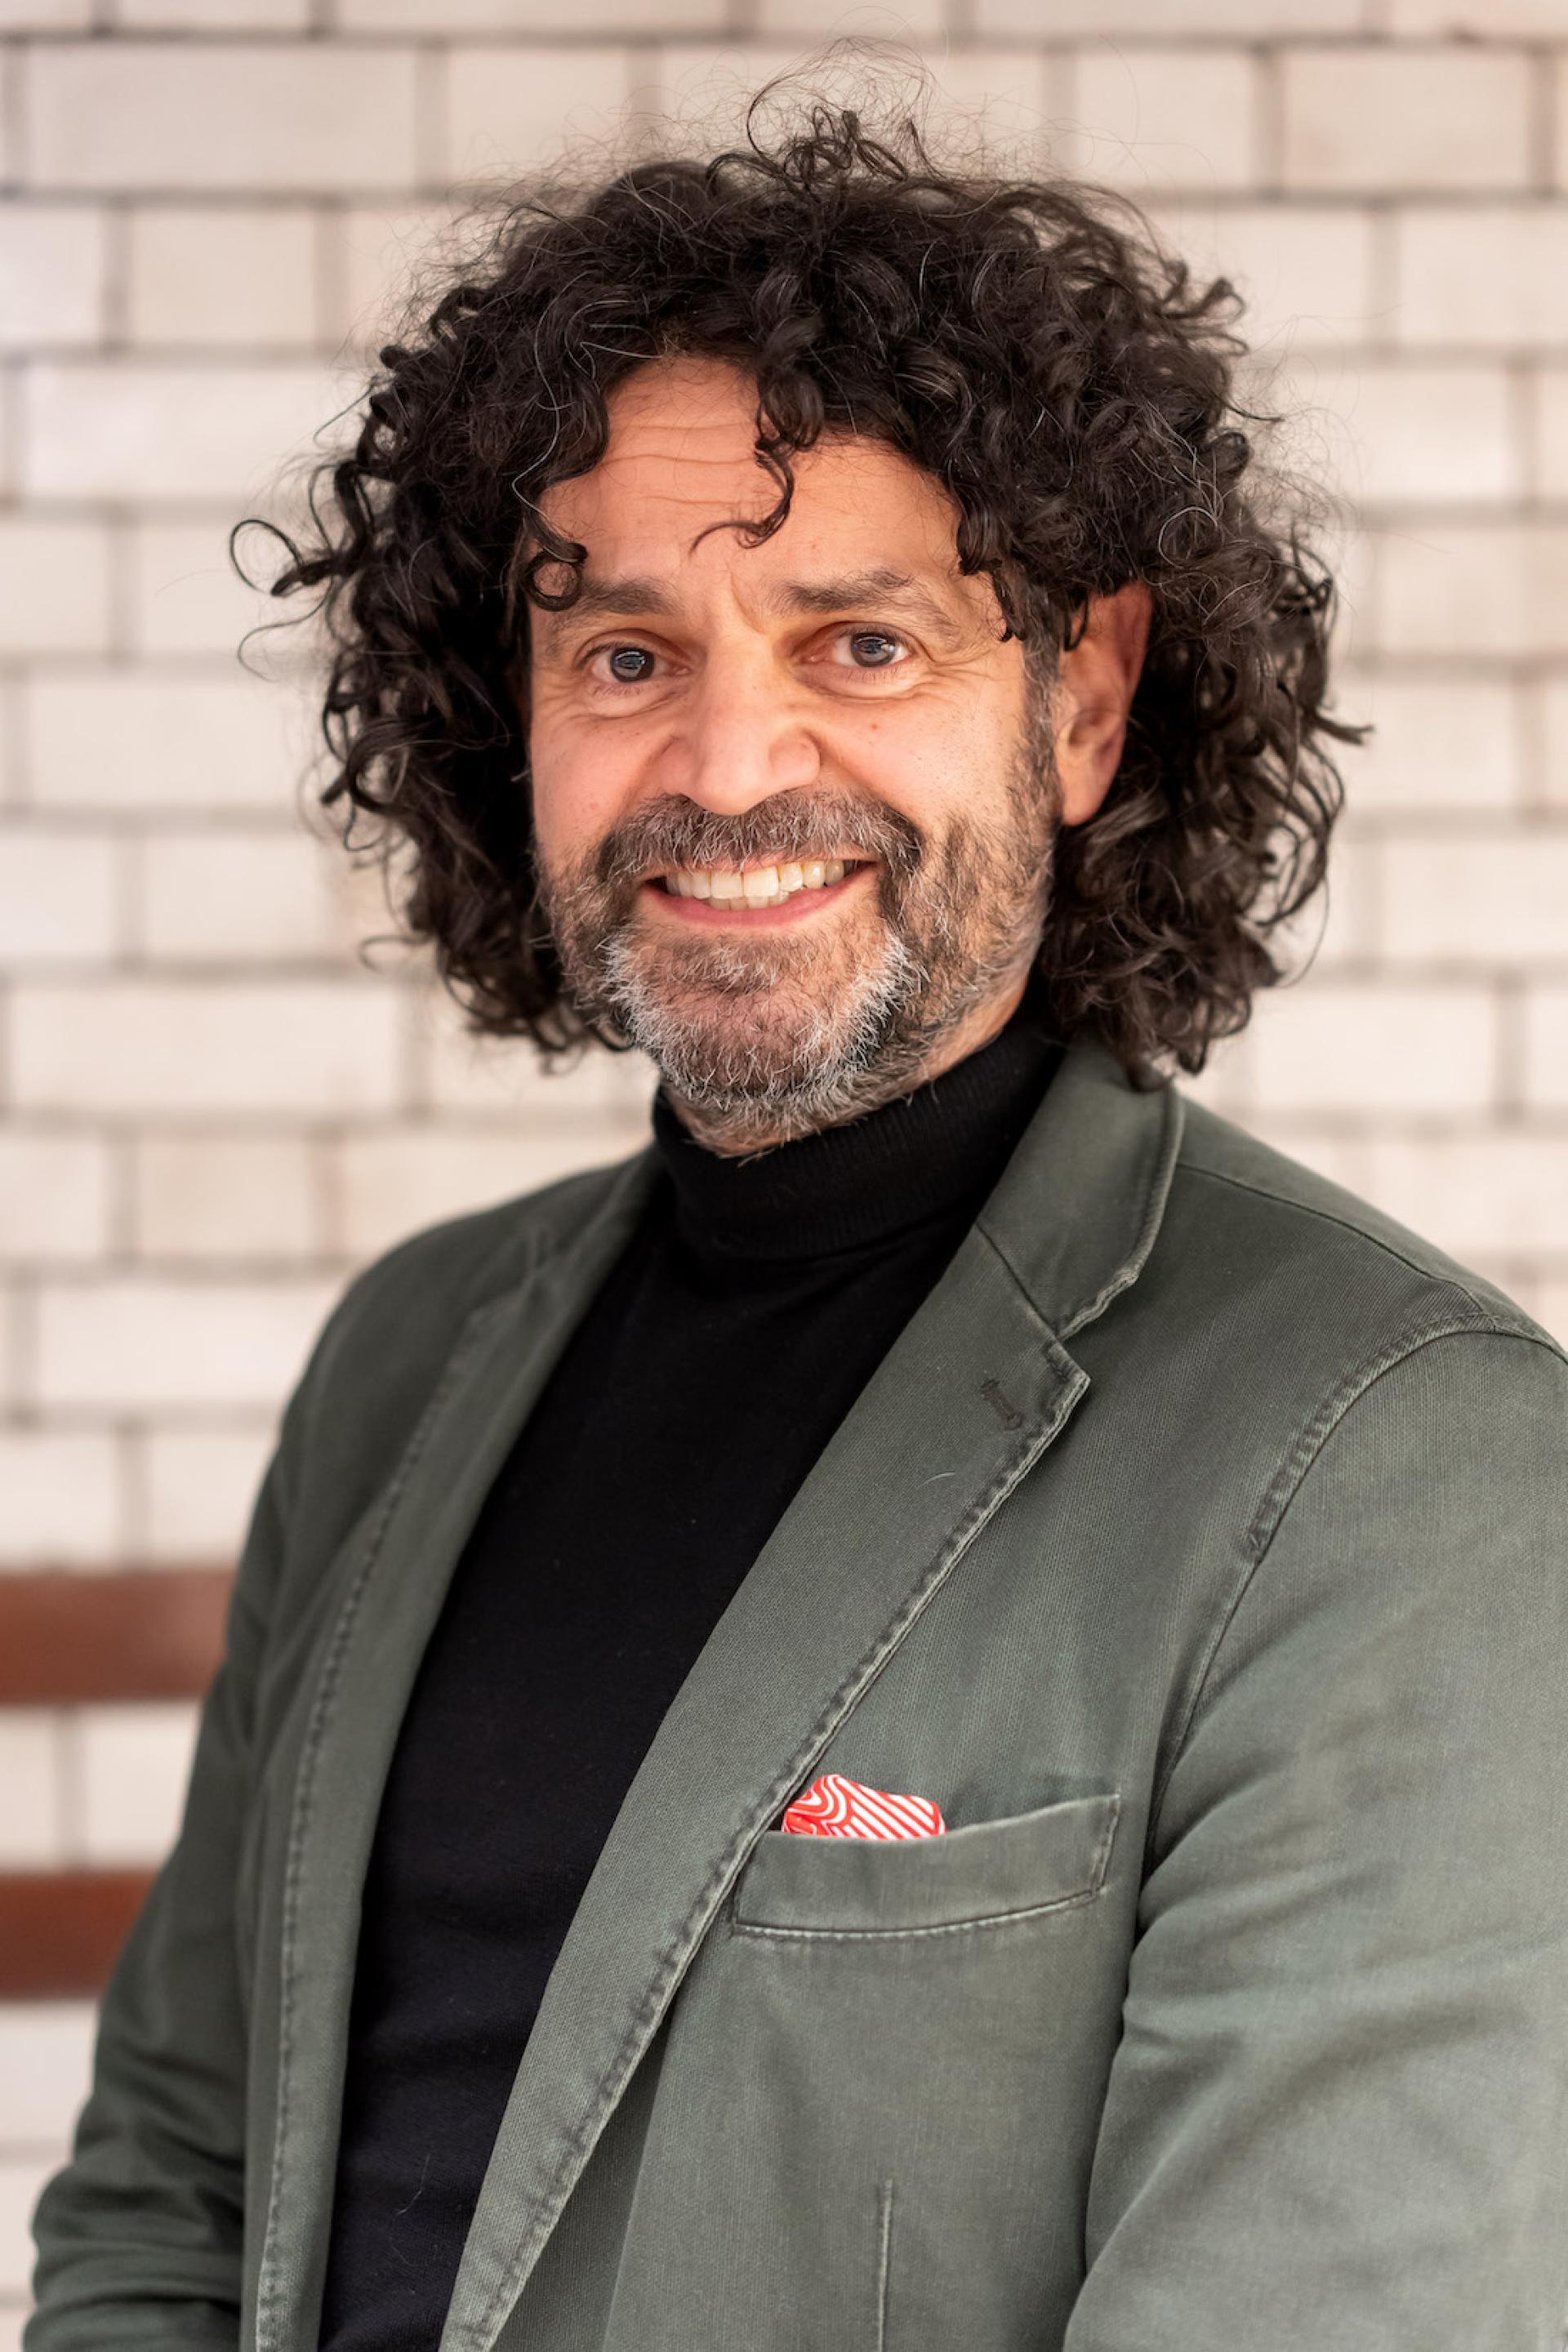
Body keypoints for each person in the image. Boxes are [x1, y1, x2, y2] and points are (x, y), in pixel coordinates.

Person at [25, 90, 1568, 2352]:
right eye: (627, 656)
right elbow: (170, 2177)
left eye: (861, 646)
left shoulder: (1405, 1473)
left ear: (1085, 703)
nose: (731, 771)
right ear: (513, 719)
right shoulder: (410, 1358)